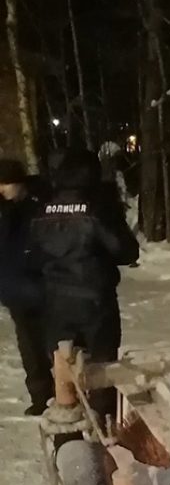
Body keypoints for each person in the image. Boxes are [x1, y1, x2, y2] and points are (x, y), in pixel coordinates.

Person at [28, 149, 139, 421]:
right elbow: (126, 251)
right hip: (95, 301)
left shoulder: (43, 208)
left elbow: (31, 255)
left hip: (55, 301)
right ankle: (102, 426)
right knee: (101, 369)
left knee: (64, 369)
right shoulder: (97, 208)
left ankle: (69, 433)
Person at [0, 158, 52, 415]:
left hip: (43, 287)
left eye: (6, 184)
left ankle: (68, 395)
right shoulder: (4, 209)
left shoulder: (39, 203)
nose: (2, 190)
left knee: (56, 346)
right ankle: (41, 398)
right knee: (30, 351)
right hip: (15, 290)